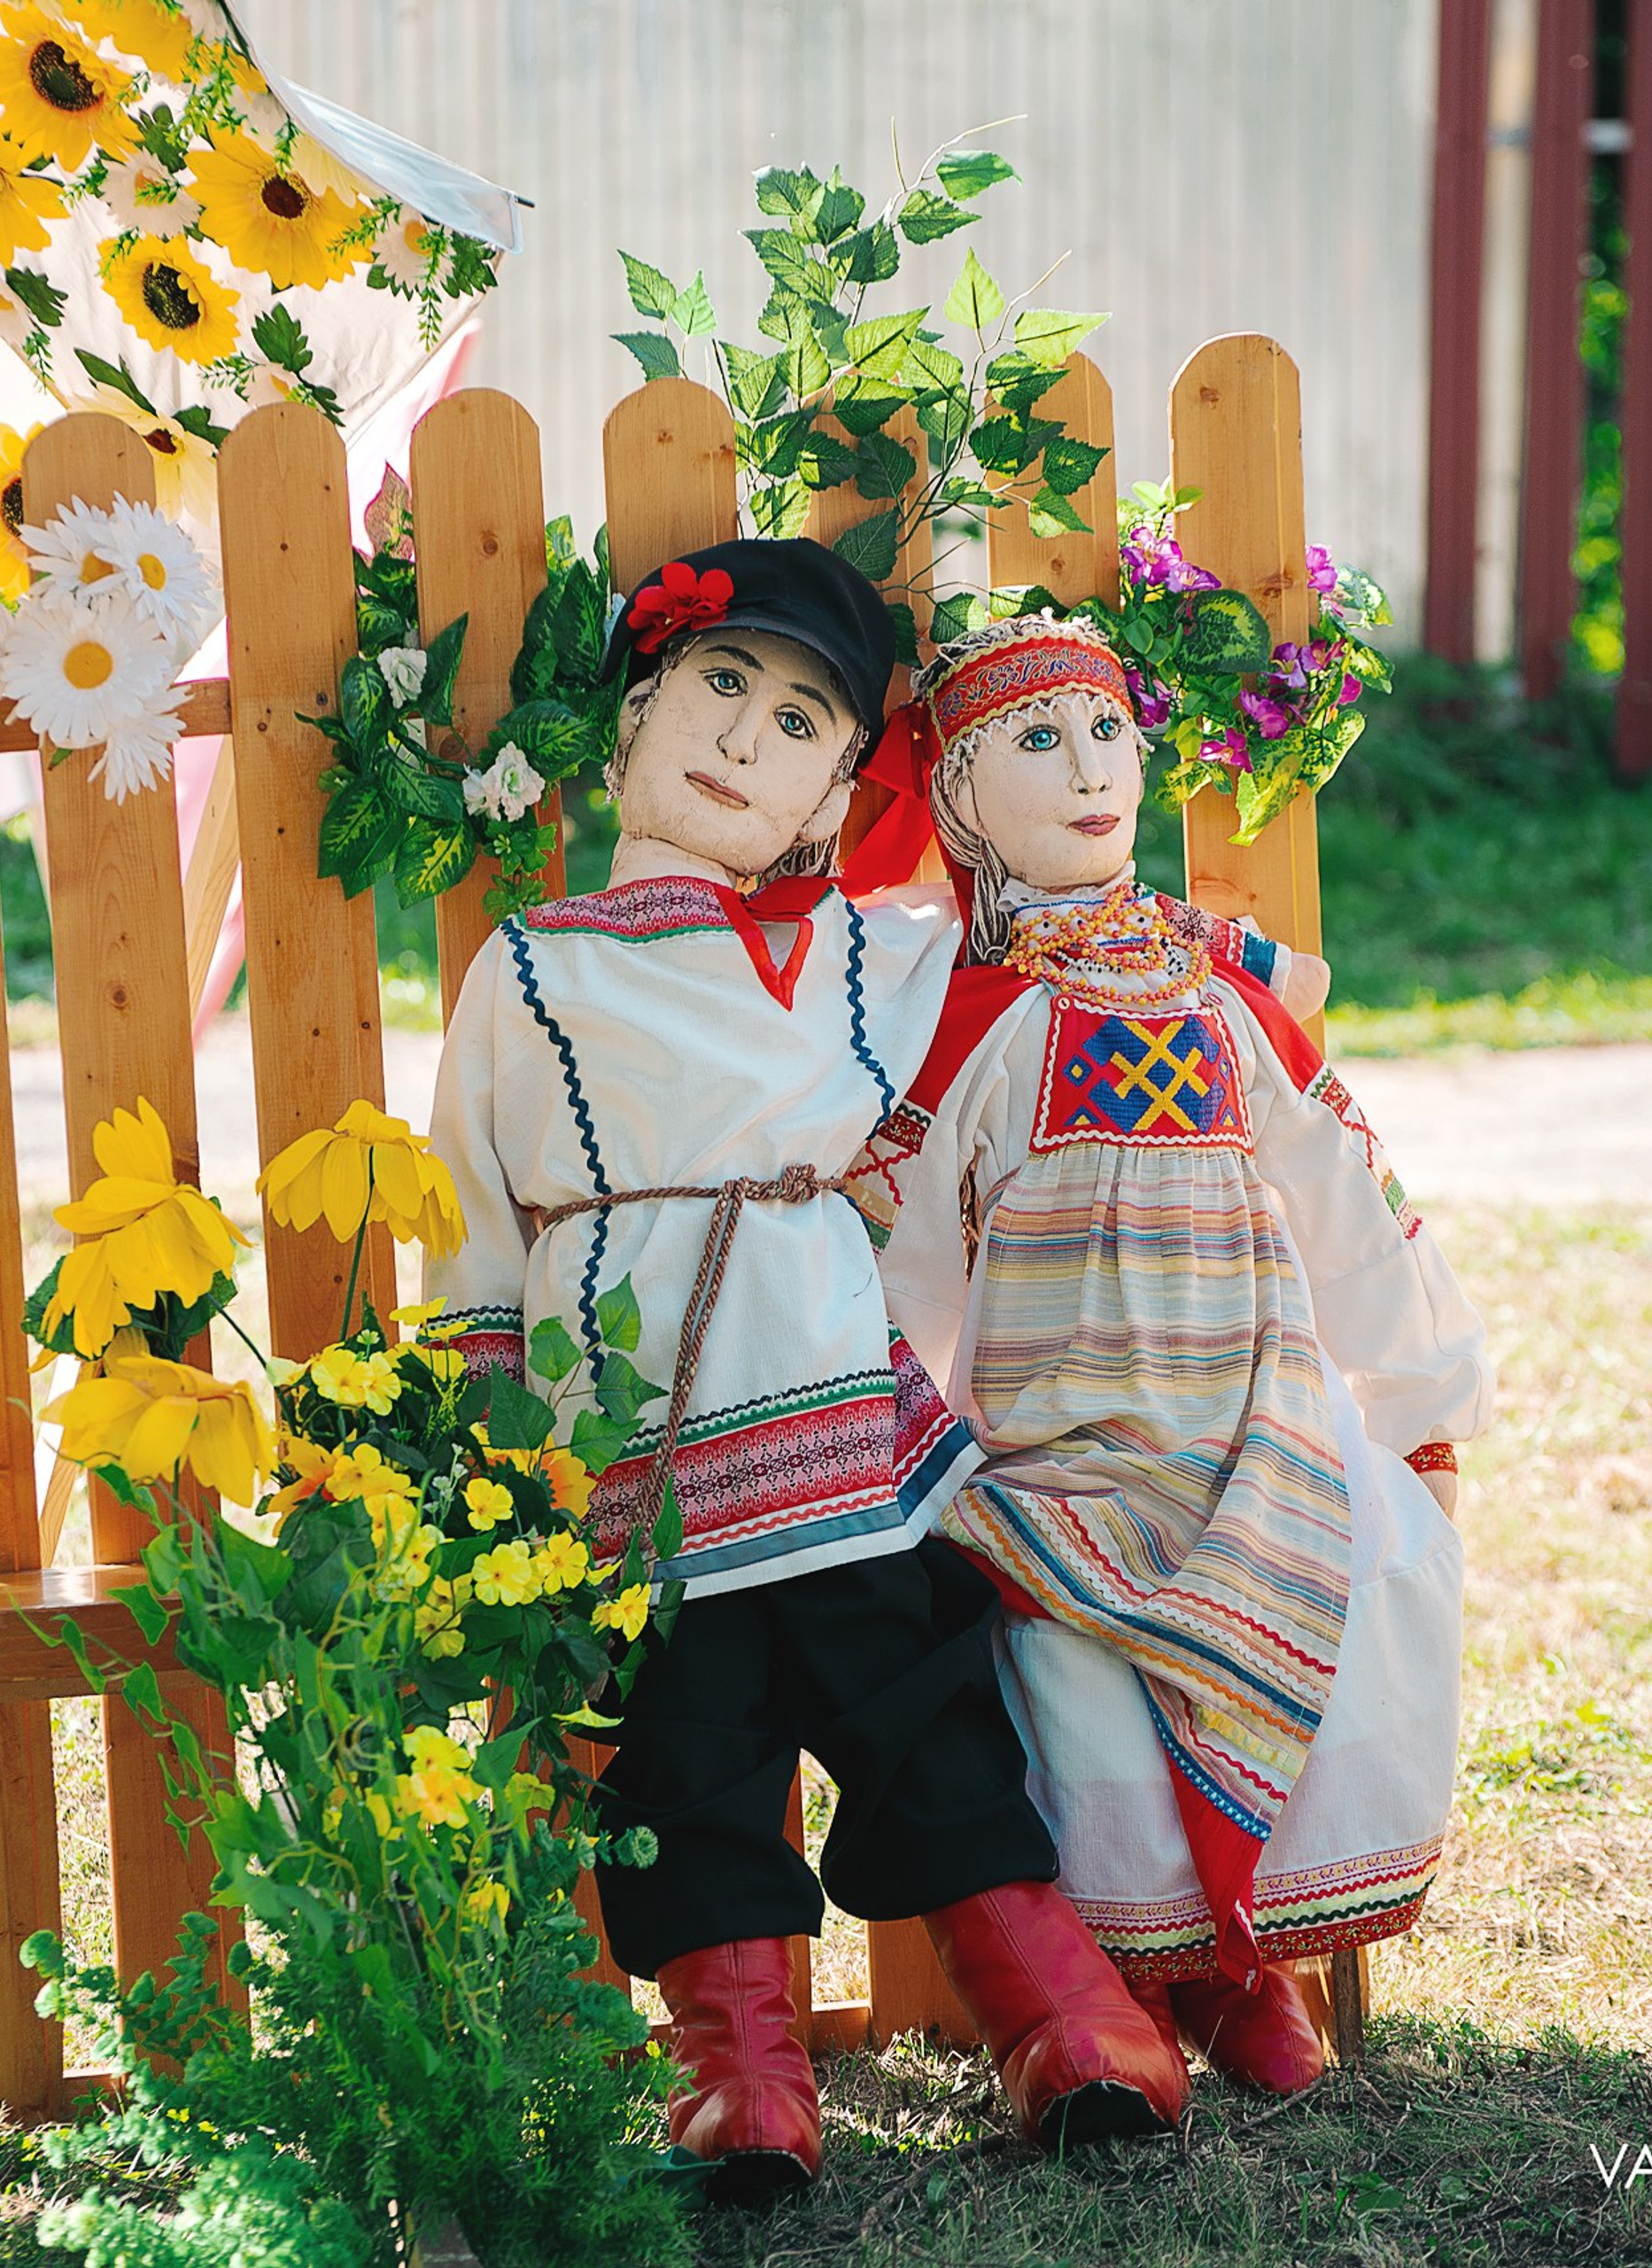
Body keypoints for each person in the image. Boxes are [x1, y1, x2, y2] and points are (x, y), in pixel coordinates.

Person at [426, 542, 1191, 2201]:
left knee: (921, 1700)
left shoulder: (876, 951)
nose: (742, 740)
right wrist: (487, 1439)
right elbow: (475, 1225)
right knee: (686, 1738)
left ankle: (1052, 2014)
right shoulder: (532, 963)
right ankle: (741, 2068)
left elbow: (1034, 912)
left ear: (838, 789)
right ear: (630, 720)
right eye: (718, 687)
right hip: (628, 1425)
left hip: (834, 1409)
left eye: (798, 724)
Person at [849, 613, 1491, 2093]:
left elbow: (1344, 1187)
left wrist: (1420, 1402)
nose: (1087, 770)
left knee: (1342, 1595)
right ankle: (1147, 1971)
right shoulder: (967, 1026)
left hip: (1254, 1424)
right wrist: (904, 1441)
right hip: (1064, 1445)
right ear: (958, 797)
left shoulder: (1222, 1000)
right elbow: (900, 1253)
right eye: (1035, 740)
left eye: (1105, 734)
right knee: (1074, 1659)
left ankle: (1253, 1958)